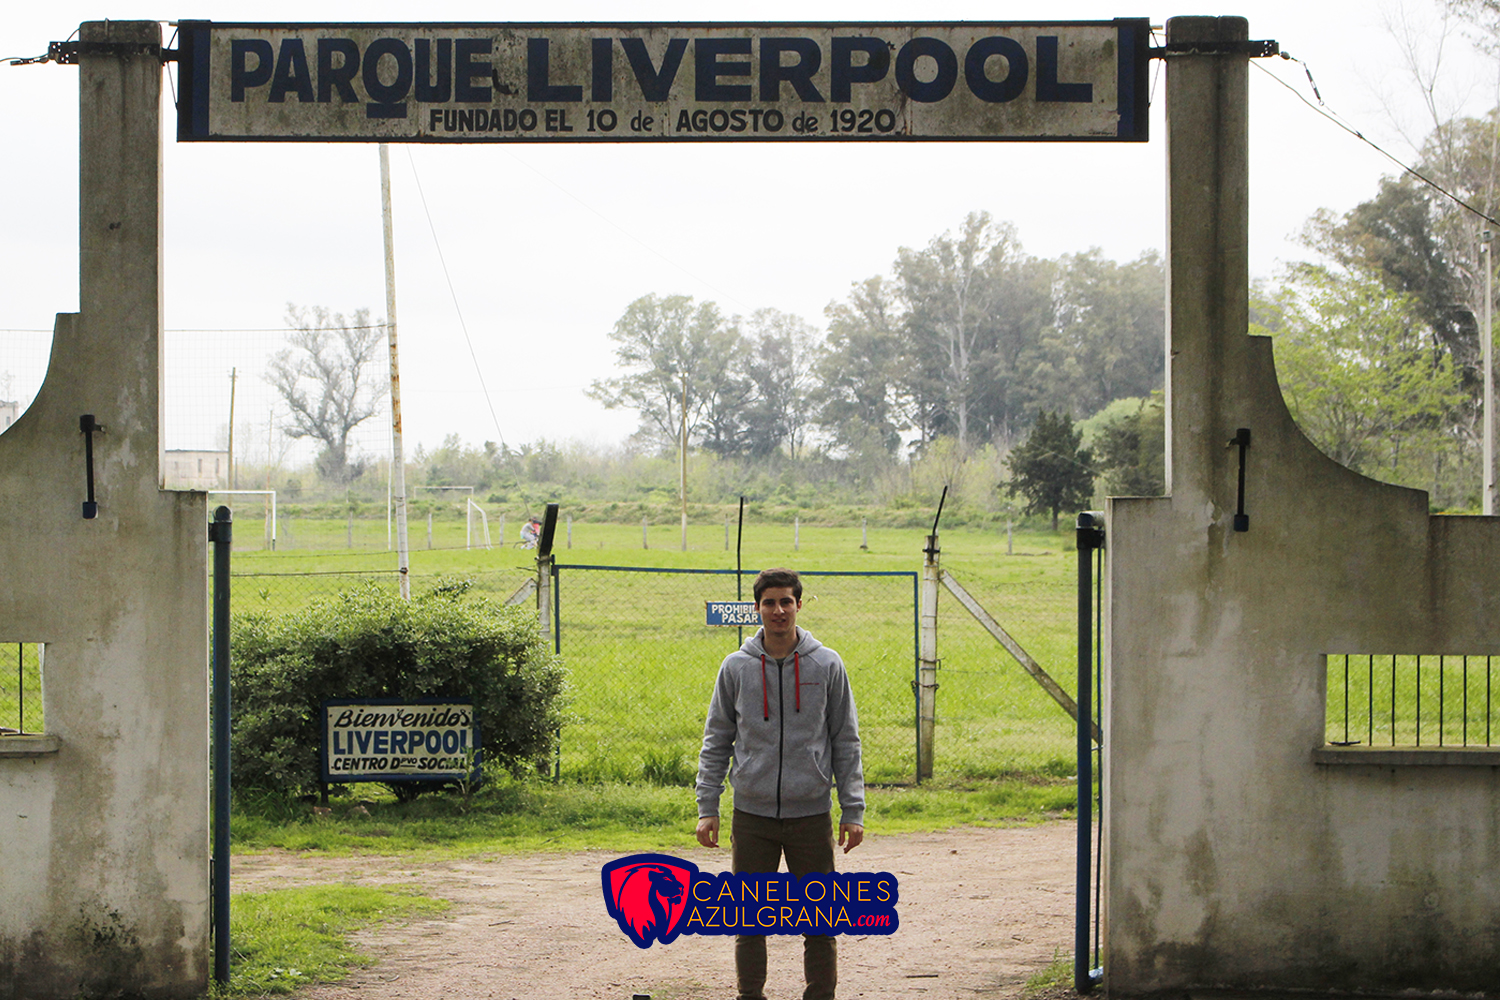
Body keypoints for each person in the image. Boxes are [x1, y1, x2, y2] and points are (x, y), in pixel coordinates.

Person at [695, 567, 865, 1000]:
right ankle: (750, 995)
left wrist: (853, 809)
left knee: (820, 921)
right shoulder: (735, 667)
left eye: (786, 601)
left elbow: (845, 739)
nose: (778, 610)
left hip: (811, 815)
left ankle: (820, 995)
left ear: (799, 605)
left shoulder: (827, 664)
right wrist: (708, 806)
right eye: (769, 602)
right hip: (751, 816)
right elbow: (717, 739)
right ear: (757, 608)